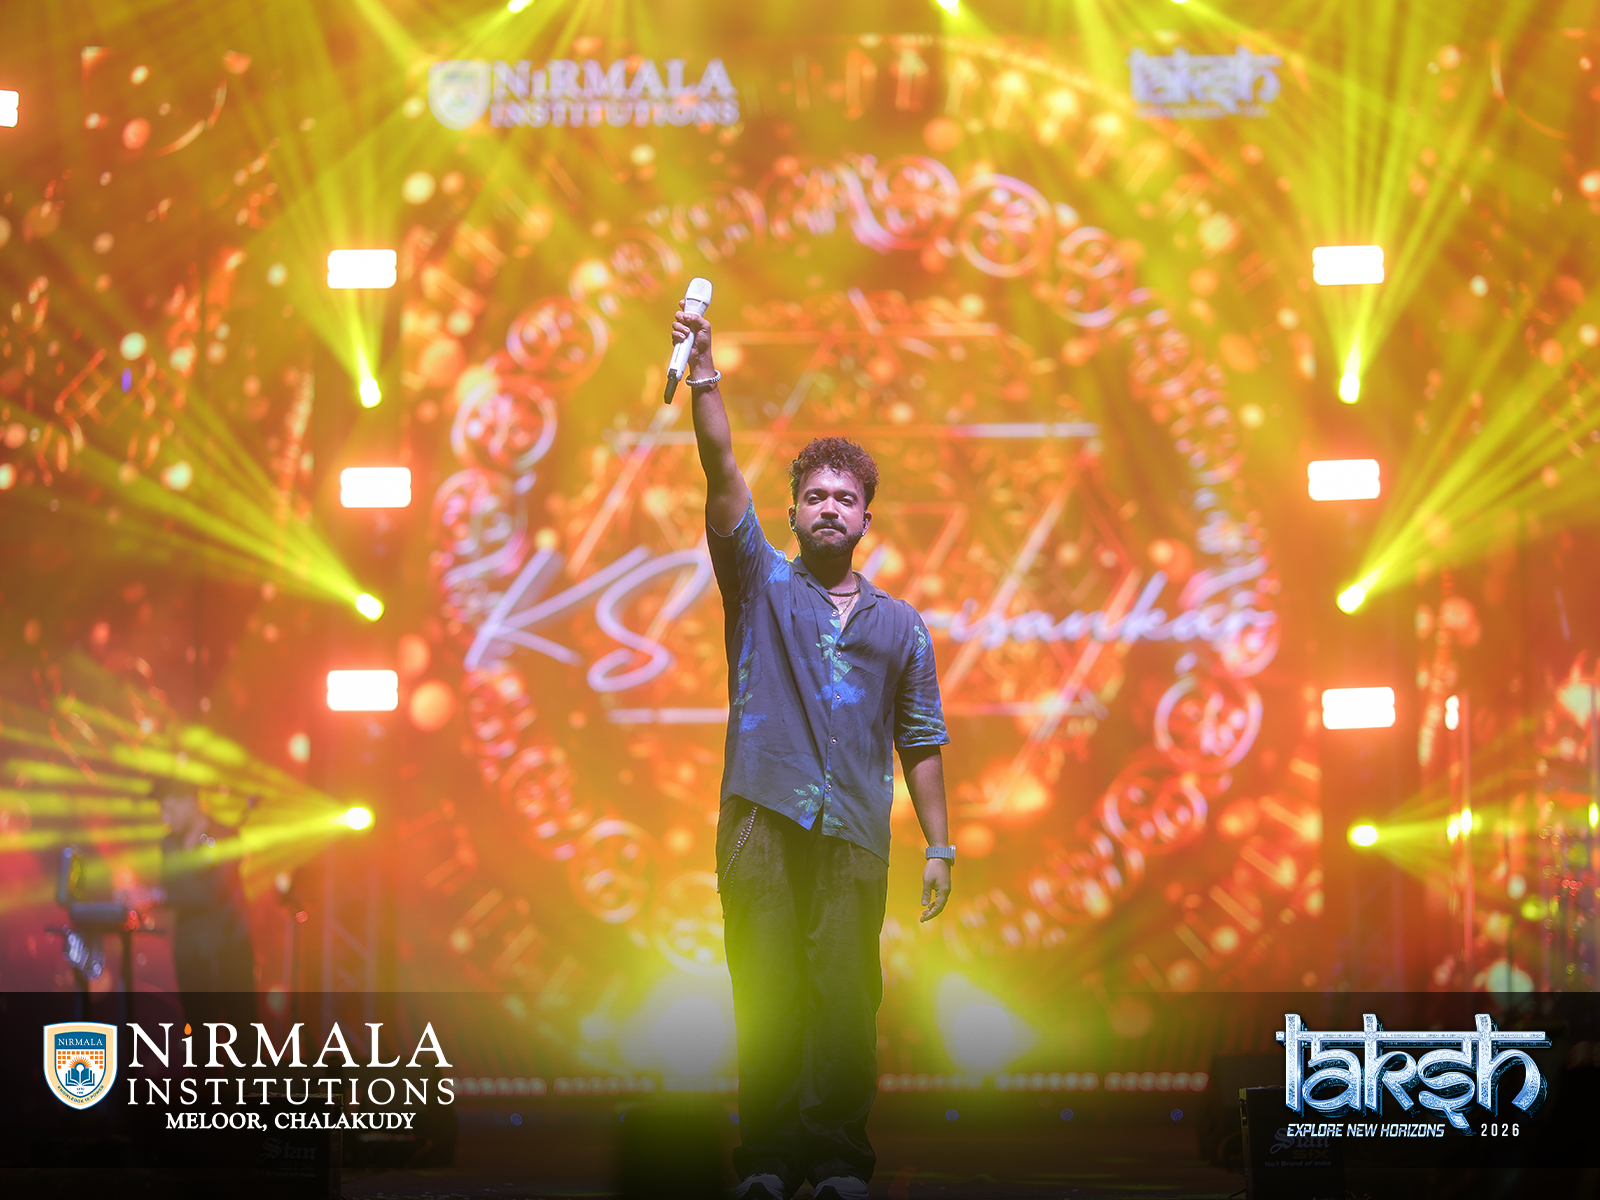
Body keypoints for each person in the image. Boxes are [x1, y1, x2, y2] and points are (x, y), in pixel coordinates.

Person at [672, 301, 955, 1200]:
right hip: (762, 816)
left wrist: (941, 845)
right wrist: (704, 369)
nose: (831, 508)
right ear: (792, 512)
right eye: (816, 497)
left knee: (843, 998)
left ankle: (835, 1162)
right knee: (766, 991)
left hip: (856, 828)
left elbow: (922, 740)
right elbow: (720, 465)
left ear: (867, 518)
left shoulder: (902, 625)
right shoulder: (757, 582)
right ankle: (766, 1161)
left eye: (846, 498)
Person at [151, 780, 257, 1030]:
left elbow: (213, 892)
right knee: (198, 1031)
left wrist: (160, 896)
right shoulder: (169, 844)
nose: (166, 818)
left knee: (242, 1029)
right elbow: (171, 886)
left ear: (191, 803)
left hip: (229, 949)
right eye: (162, 810)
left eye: (170, 809)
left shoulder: (225, 837)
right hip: (190, 952)